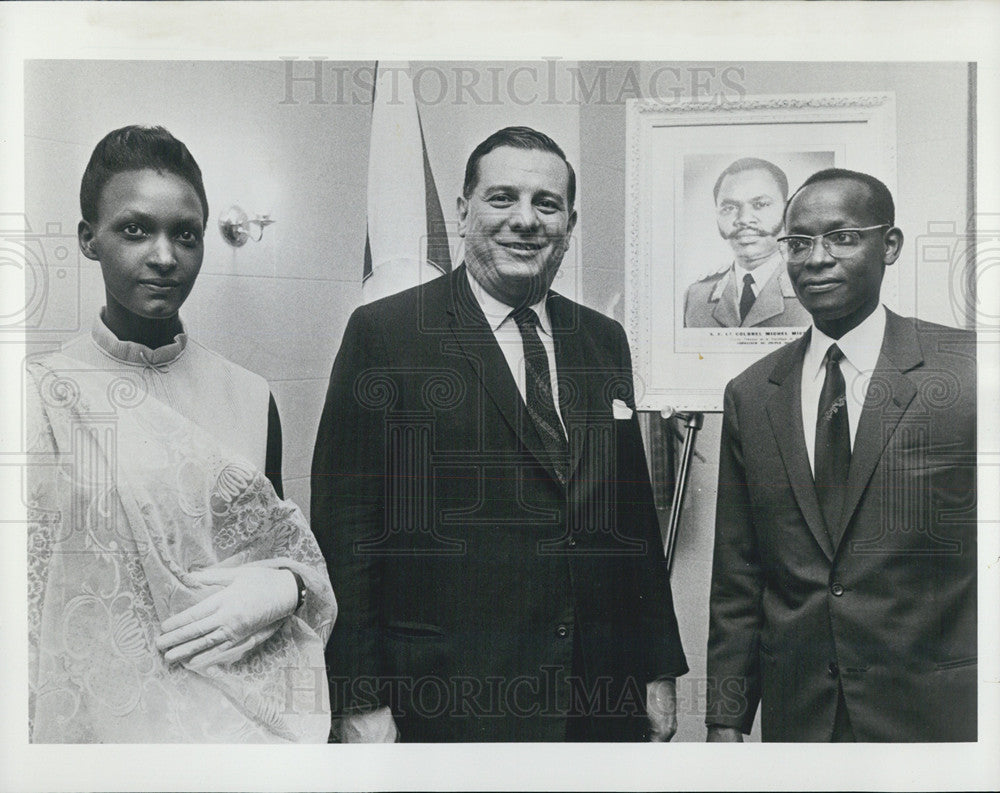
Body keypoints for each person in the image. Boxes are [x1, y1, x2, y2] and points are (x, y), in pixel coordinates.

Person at [312, 126, 687, 742]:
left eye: (546, 204)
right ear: (463, 211)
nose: (526, 220)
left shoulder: (603, 339)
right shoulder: (387, 335)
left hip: (598, 694)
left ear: (569, 221)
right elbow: (347, 528)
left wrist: (656, 666)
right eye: (502, 198)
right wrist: (357, 695)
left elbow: (633, 519)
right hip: (450, 697)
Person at [26, 126, 337, 743]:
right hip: (97, 731)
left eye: (186, 234)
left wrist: (287, 585)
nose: (165, 256)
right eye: (135, 229)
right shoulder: (36, 398)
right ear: (89, 239)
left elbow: (285, 550)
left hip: (242, 728)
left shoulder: (251, 396)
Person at [706, 168, 976, 742]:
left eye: (843, 237)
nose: (817, 259)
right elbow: (738, 577)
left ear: (891, 245)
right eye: (798, 243)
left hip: (938, 719)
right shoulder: (753, 395)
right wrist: (726, 720)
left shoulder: (967, 369)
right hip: (802, 718)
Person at [684, 157, 810, 328]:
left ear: (788, 210)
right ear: (716, 215)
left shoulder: (812, 288)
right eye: (729, 208)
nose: (744, 219)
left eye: (760, 204)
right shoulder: (695, 297)